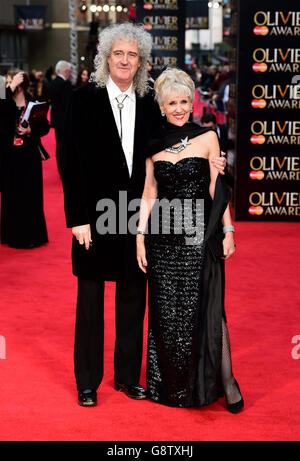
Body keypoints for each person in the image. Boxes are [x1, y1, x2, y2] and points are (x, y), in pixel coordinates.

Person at [62, 23, 227, 407]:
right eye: (118, 53)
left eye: (132, 54)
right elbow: (70, 162)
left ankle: (125, 376)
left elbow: (174, 140)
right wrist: (78, 218)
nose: (124, 60)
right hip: (95, 214)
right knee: (90, 299)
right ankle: (87, 380)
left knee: (134, 297)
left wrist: (211, 158)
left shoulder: (151, 101)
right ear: (106, 56)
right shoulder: (83, 99)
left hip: (137, 216)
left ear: (141, 61)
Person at [136, 68, 244, 413]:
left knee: (210, 306)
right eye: (173, 103)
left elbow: (217, 189)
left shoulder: (208, 137)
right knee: (168, 314)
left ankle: (227, 381)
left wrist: (228, 230)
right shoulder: (153, 144)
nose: (180, 108)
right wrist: (139, 237)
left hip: (200, 236)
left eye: (185, 101)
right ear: (162, 106)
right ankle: (172, 386)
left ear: (192, 102)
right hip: (162, 239)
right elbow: (149, 193)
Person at [0, 70, 49, 248]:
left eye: (12, 82)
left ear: (22, 85)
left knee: (31, 194)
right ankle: (12, 234)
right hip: (9, 156)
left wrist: (31, 131)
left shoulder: (33, 104)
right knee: (11, 194)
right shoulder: (5, 104)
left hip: (29, 155)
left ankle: (33, 235)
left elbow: (45, 127)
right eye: (8, 83)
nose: (8, 86)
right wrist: (9, 86)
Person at [49, 60, 73, 178]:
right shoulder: (65, 84)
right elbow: (70, 104)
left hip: (56, 121)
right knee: (66, 146)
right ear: (66, 71)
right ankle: (65, 169)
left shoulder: (53, 82)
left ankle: (61, 169)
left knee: (60, 146)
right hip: (65, 121)